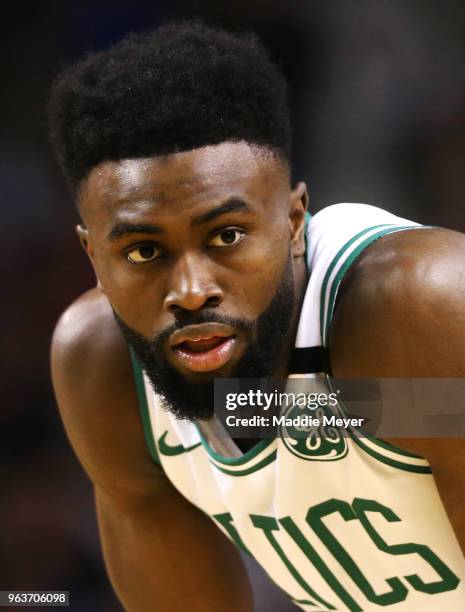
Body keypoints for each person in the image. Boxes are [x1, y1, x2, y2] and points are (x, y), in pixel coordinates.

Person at [49, 21, 465, 611]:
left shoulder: (421, 307)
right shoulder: (101, 371)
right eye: (144, 251)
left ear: (296, 221)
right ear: (93, 255)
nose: (191, 292)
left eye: (227, 235)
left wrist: (345, 405)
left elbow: (369, 402)